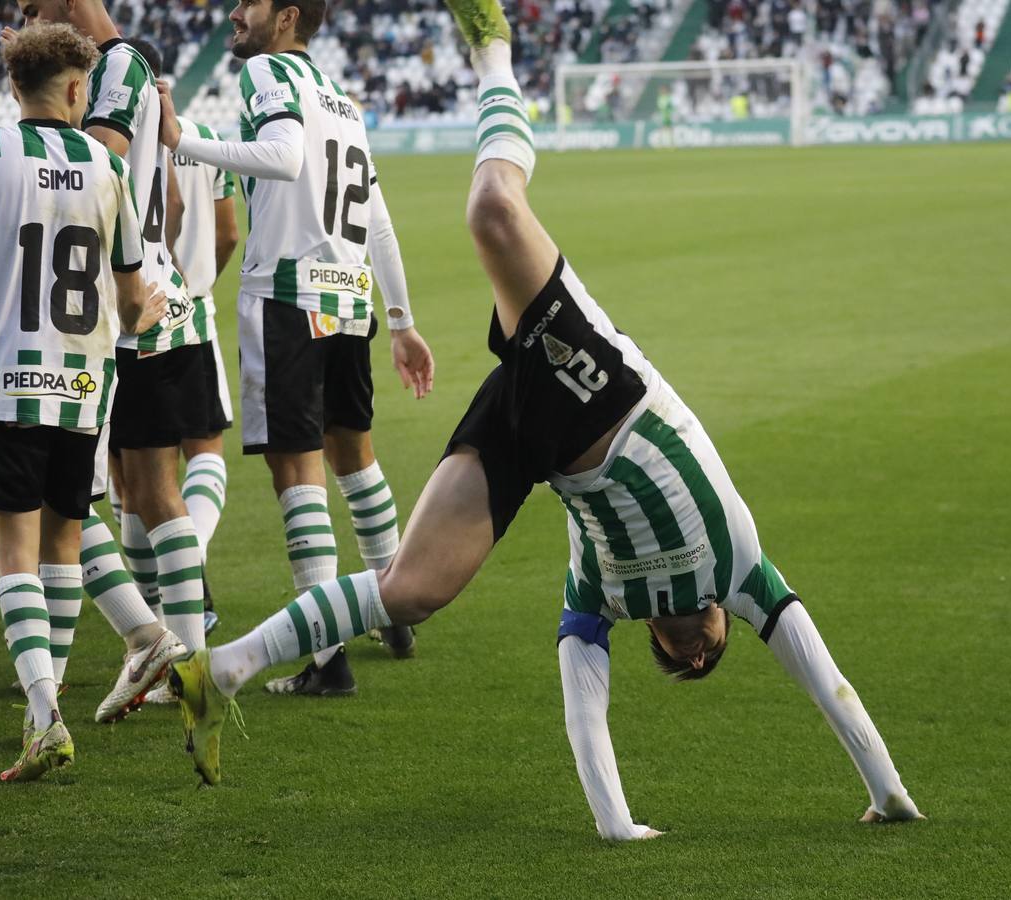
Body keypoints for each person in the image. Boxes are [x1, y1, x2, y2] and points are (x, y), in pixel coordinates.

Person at [168, 0, 924, 840]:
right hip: (610, 394)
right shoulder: (741, 571)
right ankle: (494, 48)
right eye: (705, 652)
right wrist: (889, 792)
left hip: (537, 439)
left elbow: (585, 705)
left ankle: (222, 669)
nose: (694, 651)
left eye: (676, 660)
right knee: (493, 212)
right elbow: (828, 682)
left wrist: (618, 827)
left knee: (410, 592)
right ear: (717, 636)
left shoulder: (600, 587)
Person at [154, 0, 434, 695]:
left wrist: (180, 137)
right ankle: (393, 608)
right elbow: (379, 220)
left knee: (297, 469)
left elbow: (279, 157)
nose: (235, 14)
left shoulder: (268, 74)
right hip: (347, 297)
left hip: (288, 296)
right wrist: (399, 319)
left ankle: (326, 658)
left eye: (248, 4)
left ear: (285, 18)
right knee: (353, 455)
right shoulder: (341, 101)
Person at [0, 23, 165, 780]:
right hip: (85, 389)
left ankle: (46, 713)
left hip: (8, 380)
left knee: (13, 552)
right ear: (78, 90)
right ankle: (39, 710)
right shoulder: (104, 166)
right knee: (64, 541)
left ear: (12, 87)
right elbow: (128, 295)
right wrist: (147, 311)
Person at [11, 0, 214, 685]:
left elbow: (95, 166)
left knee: (103, 495)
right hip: (124, 301)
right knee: (108, 492)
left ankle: (173, 657)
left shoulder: (119, 64)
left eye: (35, 8)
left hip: (119, 314)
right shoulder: (130, 70)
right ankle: (161, 649)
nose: (26, 18)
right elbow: (173, 203)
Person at [124, 37, 238, 642]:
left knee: (136, 479)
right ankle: (181, 591)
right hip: (195, 309)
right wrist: (197, 286)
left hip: (133, 318)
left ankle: (167, 602)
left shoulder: (117, 141)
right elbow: (226, 233)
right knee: (203, 451)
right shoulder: (199, 139)